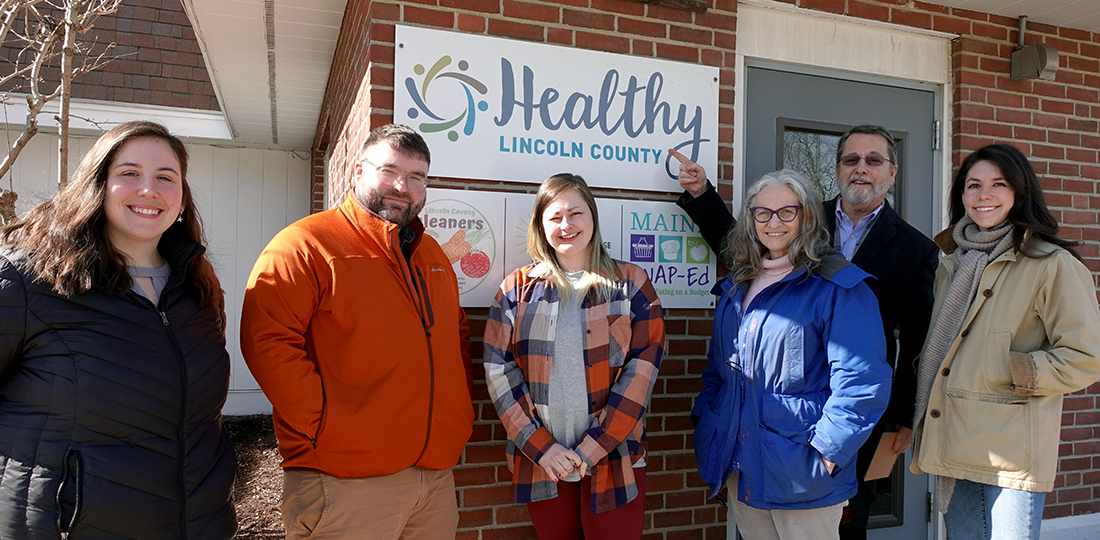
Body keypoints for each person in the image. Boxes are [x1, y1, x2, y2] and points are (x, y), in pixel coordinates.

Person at [673, 124, 938, 538]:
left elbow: (917, 341)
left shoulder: (915, 249)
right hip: (760, 434)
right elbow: (745, 241)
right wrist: (703, 196)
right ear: (837, 170)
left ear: (893, 171)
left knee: (851, 517)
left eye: (873, 160)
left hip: (836, 420)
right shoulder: (795, 217)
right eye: (851, 160)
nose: (861, 169)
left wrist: (902, 417)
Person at [0, 120, 237, 538]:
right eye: (129, 173)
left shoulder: (197, 291)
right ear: (97, 184)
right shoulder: (28, 280)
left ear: (182, 199)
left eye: (166, 177)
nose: (149, 189)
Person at [240, 124, 474, 539]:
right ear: (357, 170)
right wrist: (327, 426)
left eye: (416, 177)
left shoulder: (432, 253)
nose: (402, 186)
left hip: (434, 476)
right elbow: (267, 342)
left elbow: (454, 337)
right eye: (389, 171)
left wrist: (457, 415)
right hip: (343, 478)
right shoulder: (305, 244)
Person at [910, 144, 1100, 540]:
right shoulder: (953, 260)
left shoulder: (1051, 264)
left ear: (1019, 192)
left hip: (1010, 449)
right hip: (956, 434)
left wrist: (1014, 370)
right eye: (973, 185)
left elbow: (1086, 356)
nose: (984, 195)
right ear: (961, 195)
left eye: (998, 184)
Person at [691, 169, 891, 540]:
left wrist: (827, 453)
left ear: (808, 216)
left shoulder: (839, 286)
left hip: (805, 471)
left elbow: (862, 383)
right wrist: (710, 423)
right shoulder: (738, 285)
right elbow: (719, 373)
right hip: (741, 463)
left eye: (787, 211)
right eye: (762, 212)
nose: (774, 222)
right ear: (750, 220)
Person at [483, 174, 665, 540]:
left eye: (575, 213)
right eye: (554, 217)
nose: (566, 225)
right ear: (541, 226)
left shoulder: (630, 284)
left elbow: (643, 370)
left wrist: (593, 448)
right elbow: (498, 373)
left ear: (593, 219)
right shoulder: (515, 290)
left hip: (615, 458)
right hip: (544, 462)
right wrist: (542, 448)